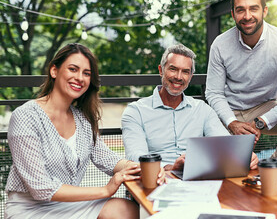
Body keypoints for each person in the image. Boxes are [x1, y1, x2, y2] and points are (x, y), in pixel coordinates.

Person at [5, 43, 165, 219]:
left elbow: (107, 159)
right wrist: (106, 190)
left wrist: (145, 169)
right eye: (73, 69)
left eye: (86, 73)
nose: (79, 78)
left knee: (127, 210)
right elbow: (41, 188)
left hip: (70, 205)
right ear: (54, 71)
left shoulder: (82, 119)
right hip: (30, 209)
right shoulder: (25, 116)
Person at [122, 44, 259, 171]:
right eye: (173, 69)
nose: (178, 77)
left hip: (198, 177)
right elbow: (135, 157)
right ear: (161, 70)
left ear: (191, 76)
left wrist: (244, 155)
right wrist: (171, 167)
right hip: (155, 179)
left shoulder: (202, 109)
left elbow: (224, 144)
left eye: (185, 72)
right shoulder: (135, 111)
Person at [205, 0, 277, 162]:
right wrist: (232, 123)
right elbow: (214, 92)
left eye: (253, 8)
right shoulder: (220, 44)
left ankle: (273, 166)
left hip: (265, 108)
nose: (247, 16)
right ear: (233, 14)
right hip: (230, 110)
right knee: (223, 164)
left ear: (264, 11)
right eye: (240, 10)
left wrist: (262, 121)